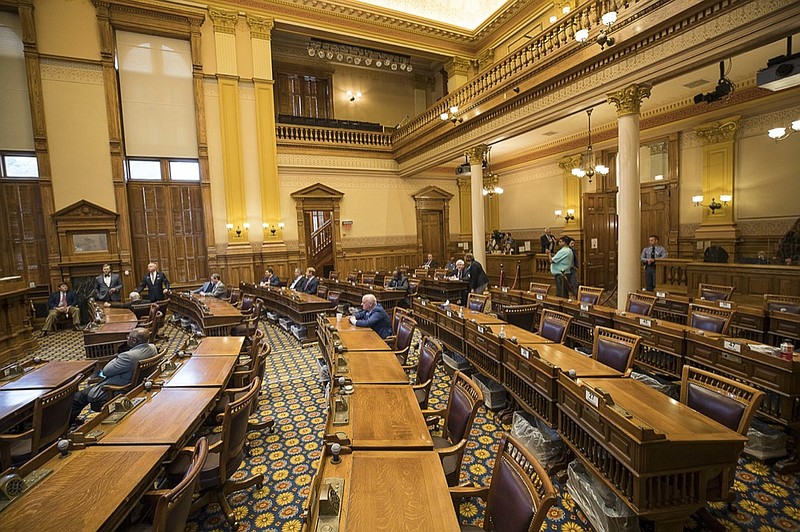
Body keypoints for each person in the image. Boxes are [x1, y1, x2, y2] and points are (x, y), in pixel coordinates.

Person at [70, 327, 157, 424]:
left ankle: (65, 425)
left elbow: (106, 371)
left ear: (134, 340)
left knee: (77, 398)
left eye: (129, 337)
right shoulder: (152, 348)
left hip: (118, 389)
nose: (127, 338)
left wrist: (118, 356)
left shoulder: (127, 357)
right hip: (138, 384)